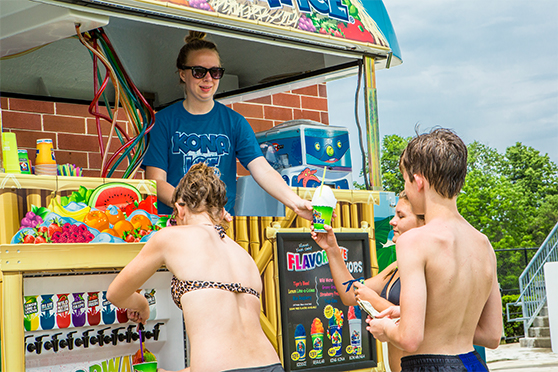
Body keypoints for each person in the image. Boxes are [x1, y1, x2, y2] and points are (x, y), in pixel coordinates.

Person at [107, 163, 284, 372]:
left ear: (180, 209)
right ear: (219, 214)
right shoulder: (244, 256)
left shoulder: (169, 237)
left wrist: (142, 305)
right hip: (271, 364)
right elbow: (230, 353)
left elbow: (115, 293)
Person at [366, 128, 503, 372]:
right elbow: (492, 335)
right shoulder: (483, 243)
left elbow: (410, 338)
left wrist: (384, 328)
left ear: (418, 182)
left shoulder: (415, 241)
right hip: (474, 364)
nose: (406, 189)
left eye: (405, 181)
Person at [142, 31, 312, 220]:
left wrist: (296, 203)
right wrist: (188, 208)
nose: (208, 79)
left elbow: (263, 170)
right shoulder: (163, 121)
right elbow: (155, 181)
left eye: (215, 72)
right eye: (199, 71)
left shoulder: (235, 122)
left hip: (218, 225)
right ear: (183, 74)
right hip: (174, 223)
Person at [311, 191, 425, 372]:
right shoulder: (396, 266)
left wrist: (375, 301)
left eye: (401, 216)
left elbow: (425, 324)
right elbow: (350, 294)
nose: (392, 221)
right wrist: (331, 247)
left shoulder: (430, 265)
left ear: (423, 222)